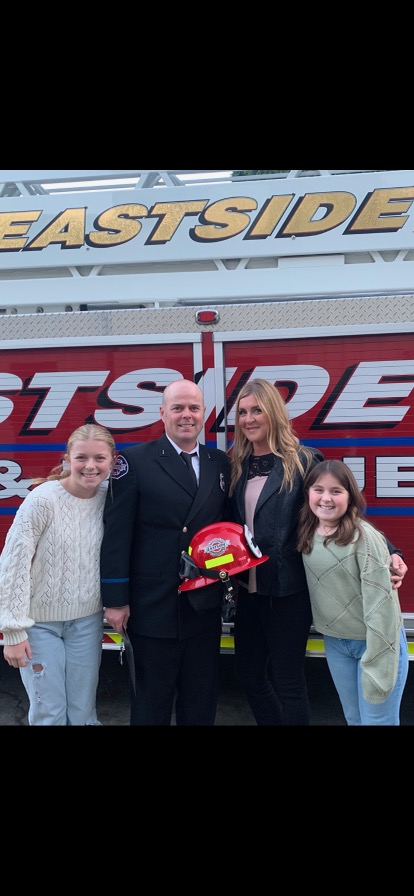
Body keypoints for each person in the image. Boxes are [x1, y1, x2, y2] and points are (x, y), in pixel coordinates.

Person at [228, 378, 408, 726]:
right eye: (243, 412)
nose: (249, 419)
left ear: (274, 413)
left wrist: (391, 550)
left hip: (288, 592)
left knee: (288, 681)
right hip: (247, 591)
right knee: (249, 676)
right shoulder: (237, 464)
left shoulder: (303, 460)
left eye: (257, 410)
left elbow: (339, 510)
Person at [100, 378, 231, 726]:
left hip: (202, 606)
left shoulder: (219, 462)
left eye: (194, 408)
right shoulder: (135, 461)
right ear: (162, 413)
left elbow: (226, 529)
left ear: (204, 413)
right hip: (152, 606)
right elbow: (117, 535)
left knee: (200, 704)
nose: (186, 415)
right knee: (150, 708)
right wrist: (116, 600)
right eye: (178, 408)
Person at [0, 423, 116, 726]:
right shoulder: (43, 500)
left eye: (99, 458)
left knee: (83, 713)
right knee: (49, 713)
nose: (90, 466)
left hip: (87, 623)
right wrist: (12, 631)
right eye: (81, 458)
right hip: (39, 626)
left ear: (112, 461)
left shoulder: (112, 499)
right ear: (67, 459)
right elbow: (14, 563)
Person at [297, 459, 409, 725]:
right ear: (307, 493)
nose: (326, 498)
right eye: (318, 490)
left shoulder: (364, 538)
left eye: (336, 491)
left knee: (377, 721)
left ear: (350, 497)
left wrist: (378, 660)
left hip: (376, 641)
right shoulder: (305, 531)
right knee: (354, 718)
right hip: (336, 642)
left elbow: (382, 606)